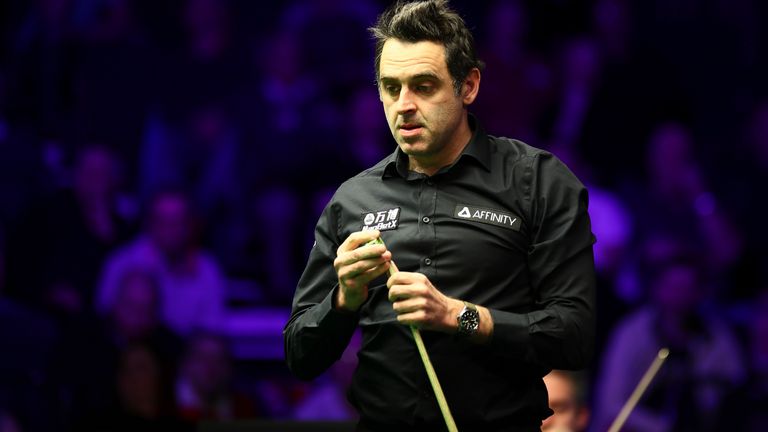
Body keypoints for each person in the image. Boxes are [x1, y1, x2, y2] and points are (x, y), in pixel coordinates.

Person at [283, 1, 596, 430]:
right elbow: (300, 355)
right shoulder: (352, 200)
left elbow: (574, 336)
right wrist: (344, 299)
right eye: (391, 88)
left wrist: (458, 316)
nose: (404, 105)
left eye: (423, 86)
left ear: (468, 86)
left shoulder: (539, 182)